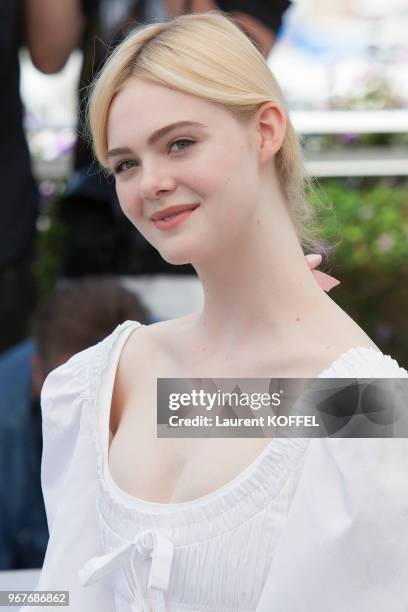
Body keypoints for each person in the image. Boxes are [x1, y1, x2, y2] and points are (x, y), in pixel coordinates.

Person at [25, 12, 408, 612]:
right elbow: (63, 595)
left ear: (265, 131)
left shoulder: (360, 403)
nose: (150, 182)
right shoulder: (108, 378)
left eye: (180, 143)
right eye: (125, 163)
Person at [0, 277, 149, 570]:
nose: (105, 427)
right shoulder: (6, 420)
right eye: (86, 405)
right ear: (37, 375)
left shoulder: (187, 378)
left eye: (121, 402)